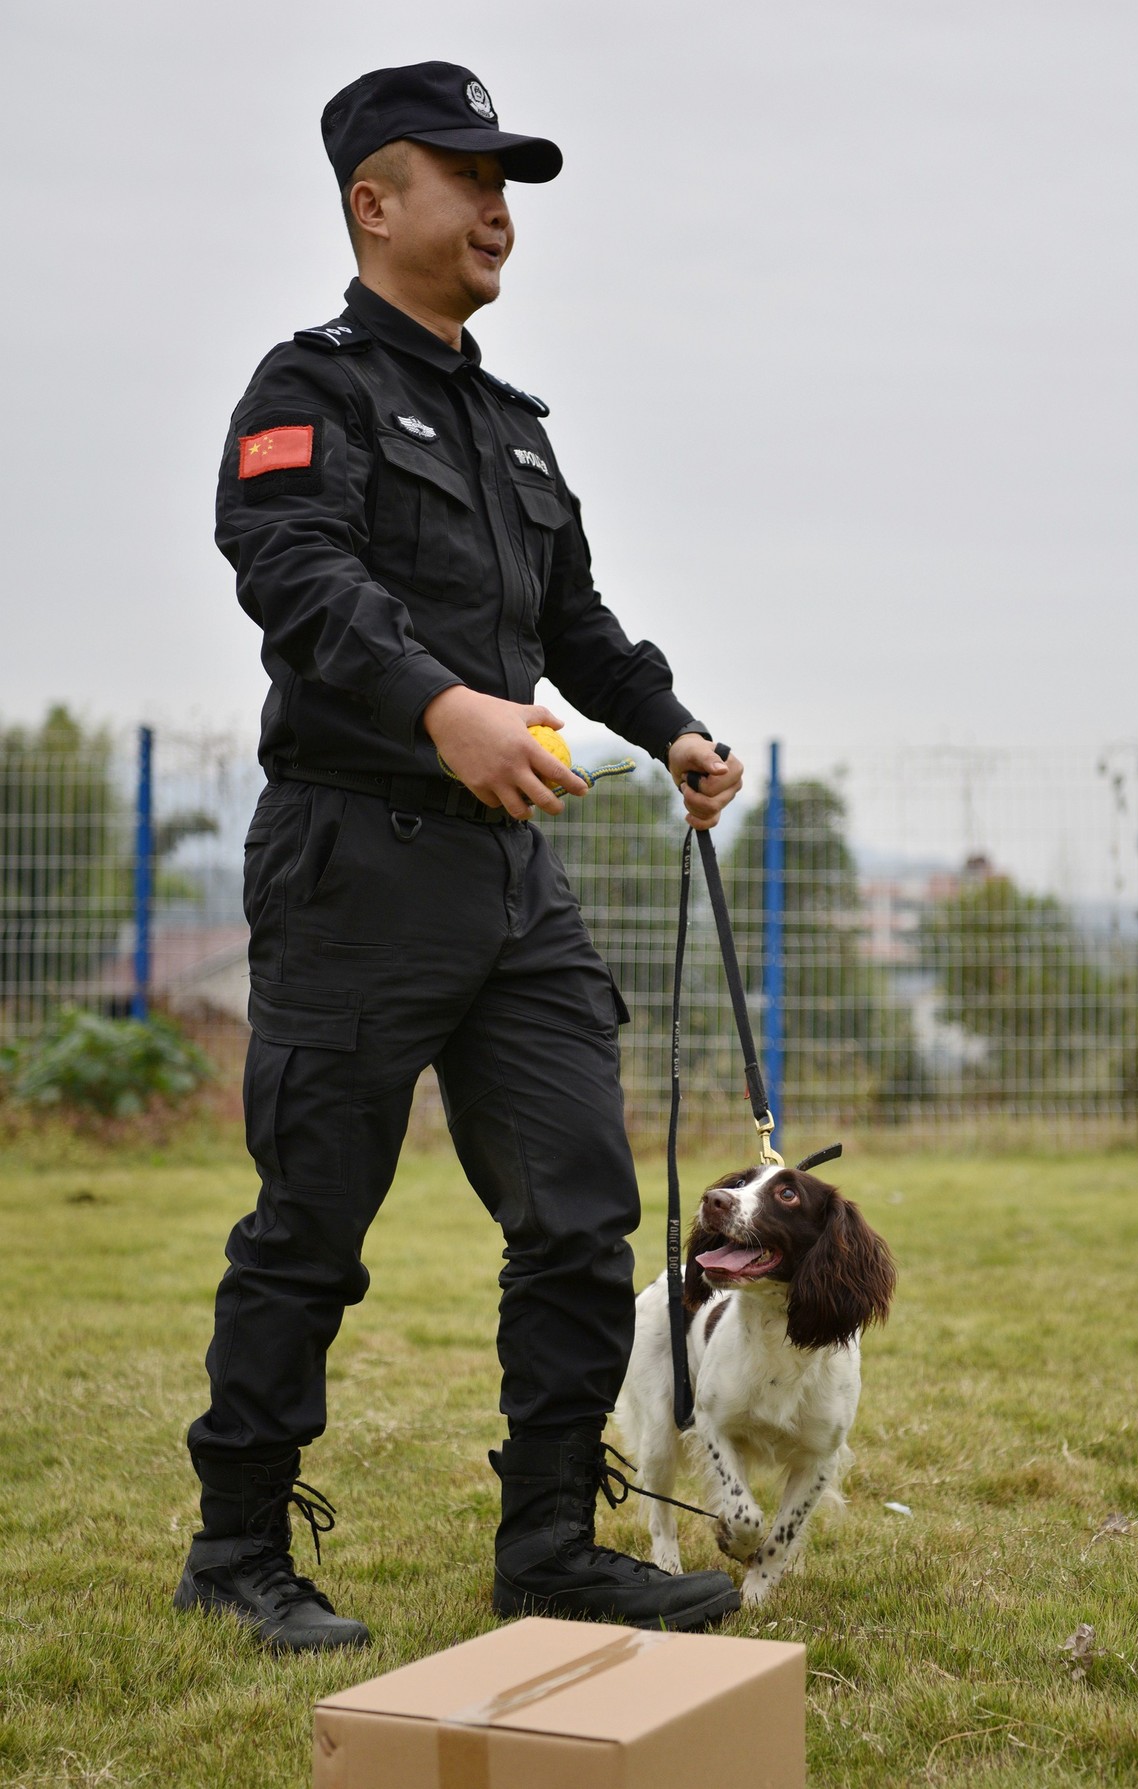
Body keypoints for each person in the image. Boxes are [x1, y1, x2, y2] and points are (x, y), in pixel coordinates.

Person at [174, 61, 746, 1650]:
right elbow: (293, 577)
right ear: (375, 200)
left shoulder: (510, 429)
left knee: (583, 1213)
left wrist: (676, 724)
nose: (501, 208)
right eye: (469, 175)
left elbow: (572, 625)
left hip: (514, 882)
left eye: (512, 183)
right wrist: (446, 711)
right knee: (311, 1227)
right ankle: (235, 1550)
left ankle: (551, 1540)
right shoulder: (311, 391)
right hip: (355, 864)